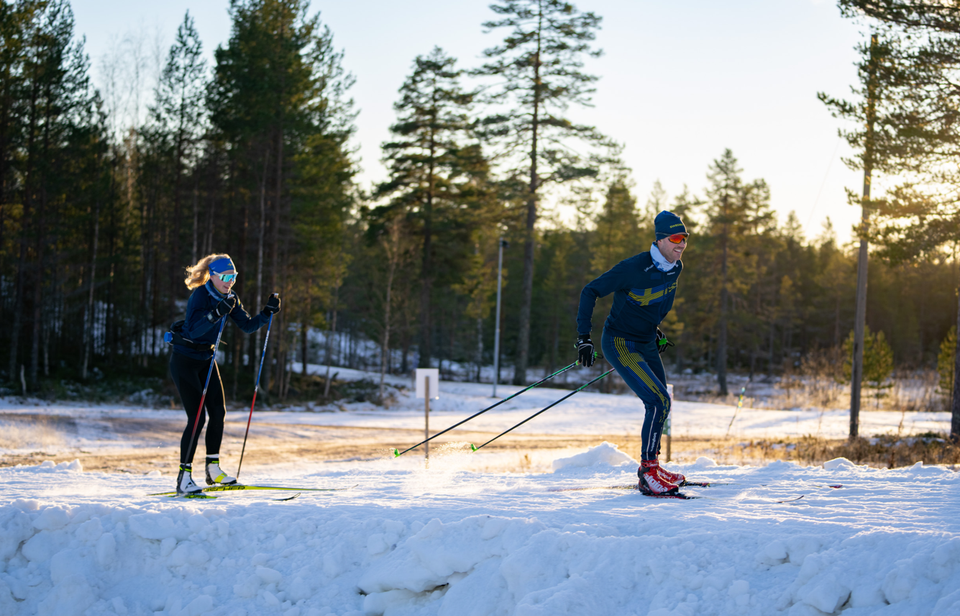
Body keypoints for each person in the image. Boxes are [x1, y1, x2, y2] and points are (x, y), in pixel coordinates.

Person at [576, 211, 688, 496]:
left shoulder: (676, 267)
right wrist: (583, 338)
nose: (681, 244)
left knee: (662, 401)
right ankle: (648, 472)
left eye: (684, 238)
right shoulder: (634, 267)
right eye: (676, 238)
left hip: (647, 341)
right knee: (658, 399)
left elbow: (654, 304)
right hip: (620, 342)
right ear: (660, 239)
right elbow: (590, 291)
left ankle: (654, 466)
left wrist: (655, 328)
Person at [168, 253, 281, 495]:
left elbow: (248, 326)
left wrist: (267, 313)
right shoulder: (200, 295)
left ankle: (213, 469)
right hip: (185, 361)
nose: (230, 282)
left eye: (234, 277)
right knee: (197, 418)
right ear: (213, 275)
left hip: (207, 360)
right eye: (226, 277)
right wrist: (217, 313)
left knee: (218, 413)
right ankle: (183, 478)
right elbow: (194, 330)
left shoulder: (230, 297)